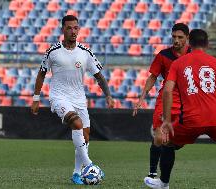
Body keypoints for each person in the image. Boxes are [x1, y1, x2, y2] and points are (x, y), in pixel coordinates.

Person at [144, 29, 216, 189]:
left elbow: (168, 91)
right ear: (207, 44)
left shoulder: (178, 63)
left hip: (192, 118)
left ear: (189, 42)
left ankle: (163, 183)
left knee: (168, 143)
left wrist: (168, 120)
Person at [30, 15, 114, 185]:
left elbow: (99, 76)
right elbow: (41, 73)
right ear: (63, 29)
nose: (73, 31)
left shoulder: (85, 52)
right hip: (59, 97)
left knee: (85, 136)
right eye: (69, 28)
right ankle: (90, 165)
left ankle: (76, 173)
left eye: (76, 27)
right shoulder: (53, 52)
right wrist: (36, 98)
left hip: (79, 99)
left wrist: (108, 95)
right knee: (76, 124)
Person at [133, 23, 190, 178]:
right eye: (174, 37)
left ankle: (171, 147)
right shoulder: (163, 55)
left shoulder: (193, 55)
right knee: (159, 136)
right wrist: (141, 98)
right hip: (166, 98)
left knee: (178, 141)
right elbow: (153, 77)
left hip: (188, 102)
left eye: (180, 37)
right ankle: (152, 174)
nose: (176, 40)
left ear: (187, 38)